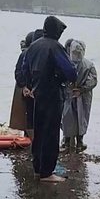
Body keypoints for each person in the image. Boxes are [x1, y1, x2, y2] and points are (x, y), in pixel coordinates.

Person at [22, 16, 77, 182]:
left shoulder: (34, 46)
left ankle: (38, 168)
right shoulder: (56, 47)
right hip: (53, 95)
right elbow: (70, 72)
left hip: (37, 95)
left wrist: (30, 85)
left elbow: (25, 68)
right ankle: (47, 173)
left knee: (38, 132)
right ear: (56, 31)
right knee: (51, 134)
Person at [61, 40, 98, 153]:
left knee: (68, 117)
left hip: (71, 94)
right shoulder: (89, 65)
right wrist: (82, 90)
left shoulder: (66, 64)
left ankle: (67, 142)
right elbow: (93, 81)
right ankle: (79, 142)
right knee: (81, 117)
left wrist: (74, 89)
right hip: (81, 95)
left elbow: (61, 79)